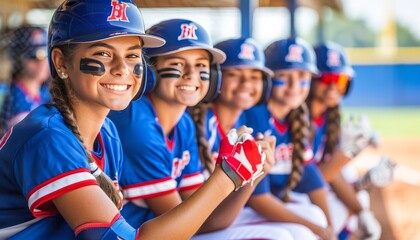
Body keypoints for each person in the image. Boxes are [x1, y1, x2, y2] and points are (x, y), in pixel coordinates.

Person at [0, 2, 266, 239]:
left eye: (131, 55)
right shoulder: (48, 137)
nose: (121, 69)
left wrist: (240, 175)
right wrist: (228, 175)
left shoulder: (107, 131)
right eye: (104, 53)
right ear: (61, 63)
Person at [108, 19, 293, 240]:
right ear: (149, 71)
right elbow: (185, 224)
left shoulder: (184, 124)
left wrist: (253, 176)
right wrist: (229, 174)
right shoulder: (136, 124)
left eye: (201, 66)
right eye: (177, 64)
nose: (191, 74)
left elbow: (209, 219)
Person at [241, 37, 338, 240]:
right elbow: (258, 198)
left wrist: (330, 229)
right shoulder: (253, 116)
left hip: (265, 205)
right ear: (267, 78)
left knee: (318, 216)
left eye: (302, 75)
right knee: (304, 231)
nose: (295, 84)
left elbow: (313, 179)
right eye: (284, 75)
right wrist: (319, 230)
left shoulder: (296, 117)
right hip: (242, 209)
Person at [307, 41, 381, 240]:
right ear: (310, 79)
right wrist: (346, 153)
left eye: (339, 79)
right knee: (338, 206)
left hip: (308, 193)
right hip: (295, 198)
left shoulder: (327, 118)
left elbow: (330, 174)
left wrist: (362, 209)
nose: (333, 85)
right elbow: (313, 181)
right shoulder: (300, 118)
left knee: (358, 196)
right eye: (326, 77)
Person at [0, 25, 51, 135]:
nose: (42, 63)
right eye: (33, 56)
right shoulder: (16, 98)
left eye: (45, 55)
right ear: (19, 59)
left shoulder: (43, 91)